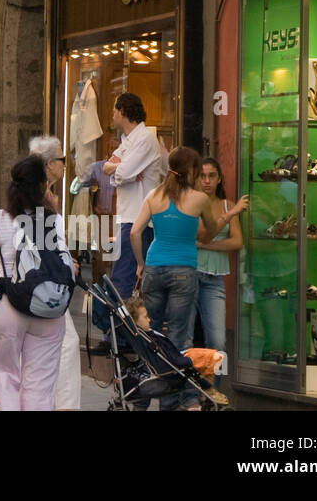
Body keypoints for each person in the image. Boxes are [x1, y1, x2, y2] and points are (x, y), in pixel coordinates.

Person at [131, 145, 237, 410]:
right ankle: (182, 401)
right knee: (180, 339)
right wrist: (215, 224)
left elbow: (134, 232)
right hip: (183, 271)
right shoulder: (199, 199)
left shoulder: (154, 196)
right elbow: (210, 232)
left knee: (151, 334)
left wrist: (140, 263)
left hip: (154, 267)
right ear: (191, 171)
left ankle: (142, 401)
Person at [0, 154, 75, 410]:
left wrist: (10, 278)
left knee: (4, 378)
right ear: (41, 188)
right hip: (48, 307)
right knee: (40, 387)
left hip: (7, 304)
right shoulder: (54, 220)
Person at [28, 134, 82, 411]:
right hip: (46, 282)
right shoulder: (43, 199)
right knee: (67, 344)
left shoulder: (44, 196)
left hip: (40, 280)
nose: (65, 164)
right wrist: (62, 263)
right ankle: (64, 405)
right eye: (62, 159)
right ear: (49, 164)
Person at [103, 92, 166, 301]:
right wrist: (120, 168)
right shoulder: (128, 140)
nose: (112, 115)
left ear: (123, 112)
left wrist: (120, 169)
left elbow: (124, 172)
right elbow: (106, 167)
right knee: (122, 277)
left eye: (114, 110)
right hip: (127, 217)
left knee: (124, 280)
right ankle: (117, 330)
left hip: (139, 219)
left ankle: (118, 332)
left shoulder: (145, 138)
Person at [195, 157, 247, 351]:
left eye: (211, 176)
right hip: (190, 275)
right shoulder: (192, 204)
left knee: (218, 342)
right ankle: (188, 381)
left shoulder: (228, 205)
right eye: (202, 176)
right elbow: (199, 234)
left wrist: (206, 245)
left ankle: (213, 382)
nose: (206, 180)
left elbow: (237, 241)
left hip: (214, 280)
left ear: (219, 179)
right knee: (187, 338)